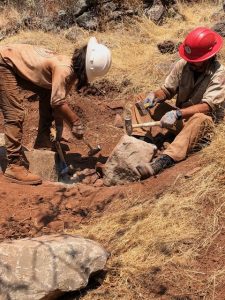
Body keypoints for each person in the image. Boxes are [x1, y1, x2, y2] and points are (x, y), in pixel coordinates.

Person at [0, 37, 111, 185]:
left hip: (12, 61)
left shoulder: (69, 70)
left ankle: (43, 142)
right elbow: (58, 102)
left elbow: (57, 102)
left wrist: (58, 132)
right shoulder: (64, 69)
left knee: (47, 94)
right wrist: (75, 122)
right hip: (4, 63)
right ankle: (14, 165)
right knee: (15, 113)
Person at [133, 27, 225, 179]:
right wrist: (154, 96)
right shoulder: (183, 65)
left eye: (195, 61)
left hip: (201, 127)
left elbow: (207, 106)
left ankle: (163, 160)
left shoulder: (220, 74)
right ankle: (144, 143)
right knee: (141, 99)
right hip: (179, 119)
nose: (190, 63)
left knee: (202, 118)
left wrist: (177, 113)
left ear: (208, 57)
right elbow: (167, 90)